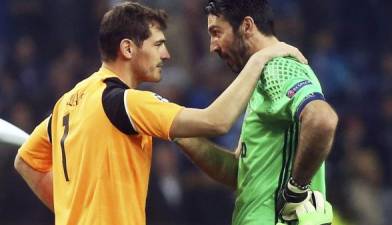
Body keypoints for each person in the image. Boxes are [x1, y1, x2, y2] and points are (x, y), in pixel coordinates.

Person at [13, 2, 307, 225]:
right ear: (128, 48)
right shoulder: (126, 101)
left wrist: (70, 211)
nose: (166, 55)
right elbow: (217, 120)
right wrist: (261, 58)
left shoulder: (68, 102)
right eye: (158, 45)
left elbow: (26, 161)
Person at [174, 0, 338, 225]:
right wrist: (175, 129)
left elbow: (322, 120)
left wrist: (297, 189)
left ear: (247, 26)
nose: (213, 46)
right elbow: (237, 172)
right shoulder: (260, 75)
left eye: (217, 32)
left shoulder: (279, 69)